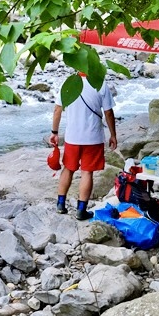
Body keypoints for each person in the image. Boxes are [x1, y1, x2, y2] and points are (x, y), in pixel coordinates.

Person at [50, 73, 117, 220]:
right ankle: (81, 210)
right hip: (93, 138)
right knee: (87, 172)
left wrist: (54, 132)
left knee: (68, 168)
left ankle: (61, 205)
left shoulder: (67, 84)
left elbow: (57, 111)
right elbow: (108, 113)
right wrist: (113, 135)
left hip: (72, 137)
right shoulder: (99, 83)